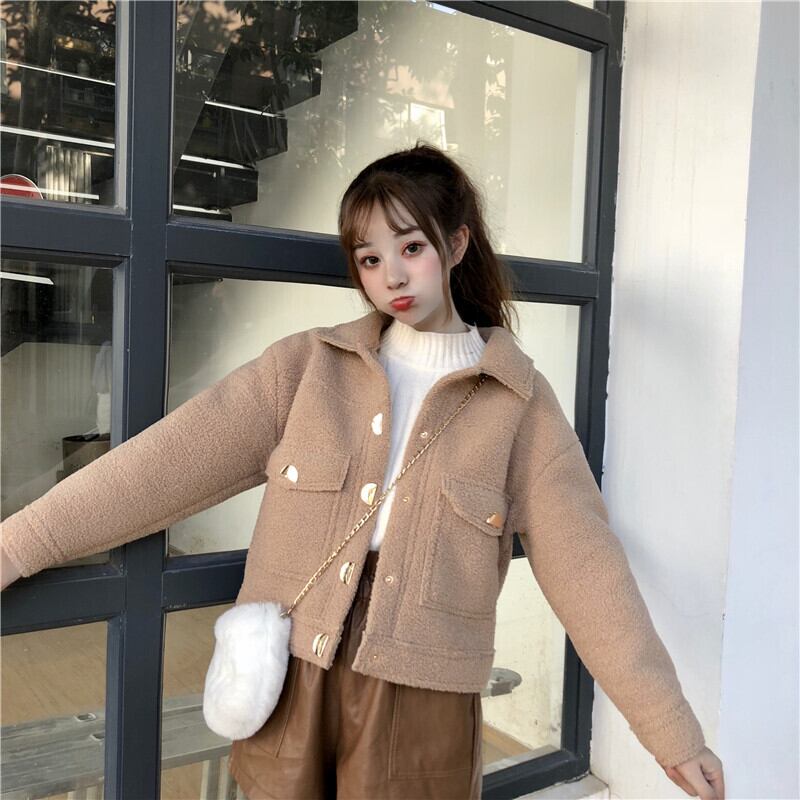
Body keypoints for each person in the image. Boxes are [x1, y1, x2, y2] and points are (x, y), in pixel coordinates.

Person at [1, 142, 725, 800]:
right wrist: (16, 546)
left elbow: (588, 569)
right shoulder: (306, 368)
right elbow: (161, 465)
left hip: (423, 695)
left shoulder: (520, 404)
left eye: (411, 247)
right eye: (370, 259)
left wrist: (672, 734)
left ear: (456, 244)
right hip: (292, 670)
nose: (392, 276)